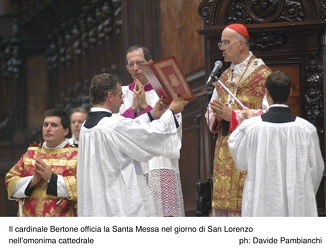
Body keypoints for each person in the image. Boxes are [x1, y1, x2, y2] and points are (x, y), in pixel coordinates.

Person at [77, 73, 188, 217]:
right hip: (117, 200)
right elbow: (149, 135)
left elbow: (131, 128)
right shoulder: (112, 125)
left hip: (99, 198)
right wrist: (171, 111)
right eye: (120, 96)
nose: (123, 102)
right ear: (110, 96)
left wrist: (152, 114)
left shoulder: (86, 127)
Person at [228, 71, 325, 216]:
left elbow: (241, 162)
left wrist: (249, 120)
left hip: (260, 203)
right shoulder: (307, 130)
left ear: (266, 92)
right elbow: (315, 171)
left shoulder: (250, 128)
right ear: (290, 92)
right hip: (296, 203)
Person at [205, 23, 272, 217]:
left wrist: (233, 116)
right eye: (221, 43)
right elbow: (211, 110)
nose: (222, 48)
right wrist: (217, 116)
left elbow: (269, 117)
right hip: (224, 151)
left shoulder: (263, 75)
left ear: (241, 44)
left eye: (226, 43)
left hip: (249, 151)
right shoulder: (224, 76)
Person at [119, 45, 185, 217]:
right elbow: (119, 131)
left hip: (159, 163)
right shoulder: (122, 95)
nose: (135, 69)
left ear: (150, 64)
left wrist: (146, 107)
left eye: (139, 63)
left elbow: (172, 128)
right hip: (134, 165)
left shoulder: (165, 92)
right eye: (131, 64)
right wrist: (134, 109)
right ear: (126, 68)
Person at [5, 109, 78, 217]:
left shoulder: (76, 155)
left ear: (65, 131)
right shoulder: (31, 153)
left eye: (54, 125)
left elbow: (83, 186)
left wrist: (51, 178)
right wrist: (33, 180)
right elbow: (10, 181)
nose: (48, 129)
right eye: (45, 125)